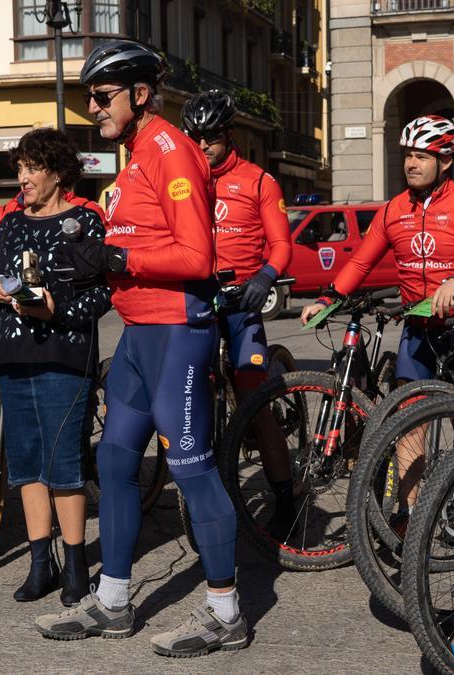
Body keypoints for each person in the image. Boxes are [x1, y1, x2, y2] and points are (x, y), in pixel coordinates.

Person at [37, 40, 249, 657]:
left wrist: (117, 257)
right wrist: (94, 262)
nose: (93, 110)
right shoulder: (132, 156)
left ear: (139, 94)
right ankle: (113, 601)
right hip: (138, 333)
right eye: (88, 100)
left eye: (102, 98)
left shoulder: (169, 151)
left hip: (177, 329)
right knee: (115, 463)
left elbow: (196, 257)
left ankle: (225, 613)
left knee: (190, 469)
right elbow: (134, 244)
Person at [300, 115, 454, 514]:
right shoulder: (393, 209)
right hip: (418, 328)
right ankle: (410, 513)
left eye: (421, 156)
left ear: (446, 161)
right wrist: (329, 297)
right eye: (408, 156)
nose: (411, 163)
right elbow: (361, 263)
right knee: (408, 418)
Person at [0, 127, 110, 606]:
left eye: (32, 169)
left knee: (64, 465)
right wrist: (1, 292)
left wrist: (57, 311)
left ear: (58, 172)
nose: (23, 178)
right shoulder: (10, 224)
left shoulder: (85, 221)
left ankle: (75, 565)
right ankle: (39, 564)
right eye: (20, 169)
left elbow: (102, 291)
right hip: (12, 355)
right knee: (27, 465)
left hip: (65, 356)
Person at [181, 89, 296, 539]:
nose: (203, 145)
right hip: (196, 300)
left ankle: (285, 495)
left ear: (228, 136)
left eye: (210, 137)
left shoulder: (258, 181)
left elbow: (282, 244)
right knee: (190, 395)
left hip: (242, 301)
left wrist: (265, 276)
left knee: (254, 396)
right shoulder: (184, 180)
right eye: (196, 137)